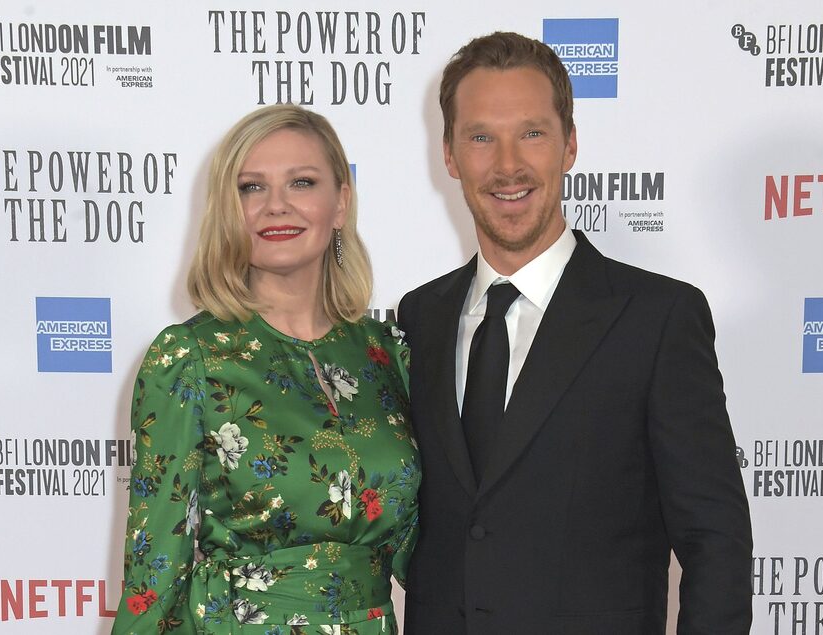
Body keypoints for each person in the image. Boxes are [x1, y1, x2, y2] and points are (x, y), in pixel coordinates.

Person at [398, 32, 752, 633]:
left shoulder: (657, 317)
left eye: (531, 133)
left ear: (570, 146)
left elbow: (713, 539)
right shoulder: (420, 317)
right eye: (481, 137)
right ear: (450, 156)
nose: (507, 164)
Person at [112, 104, 419, 634]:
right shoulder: (189, 358)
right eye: (251, 187)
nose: (276, 206)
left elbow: (429, 547)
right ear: (228, 210)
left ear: (341, 202)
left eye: (302, 182)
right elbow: (153, 572)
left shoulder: (386, 353)